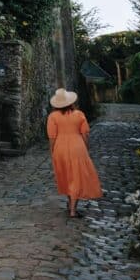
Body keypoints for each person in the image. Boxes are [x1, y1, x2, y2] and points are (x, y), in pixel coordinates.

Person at [47, 88, 102, 218]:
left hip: (60, 147)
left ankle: (69, 203)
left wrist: (52, 151)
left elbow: (52, 137)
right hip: (77, 147)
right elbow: (85, 134)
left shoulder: (53, 117)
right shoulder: (79, 114)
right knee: (76, 176)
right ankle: (73, 210)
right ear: (71, 102)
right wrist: (86, 148)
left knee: (66, 175)